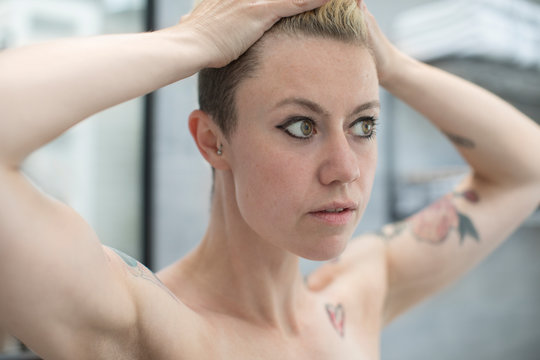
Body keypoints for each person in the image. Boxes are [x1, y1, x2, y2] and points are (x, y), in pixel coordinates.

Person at [0, 0, 538, 358]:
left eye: (363, 124)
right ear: (214, 141)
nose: (345, 169)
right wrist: (196, 41)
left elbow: (525, 170)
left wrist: (392, 63)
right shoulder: (152, 329)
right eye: (300, 126)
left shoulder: (356, 295)